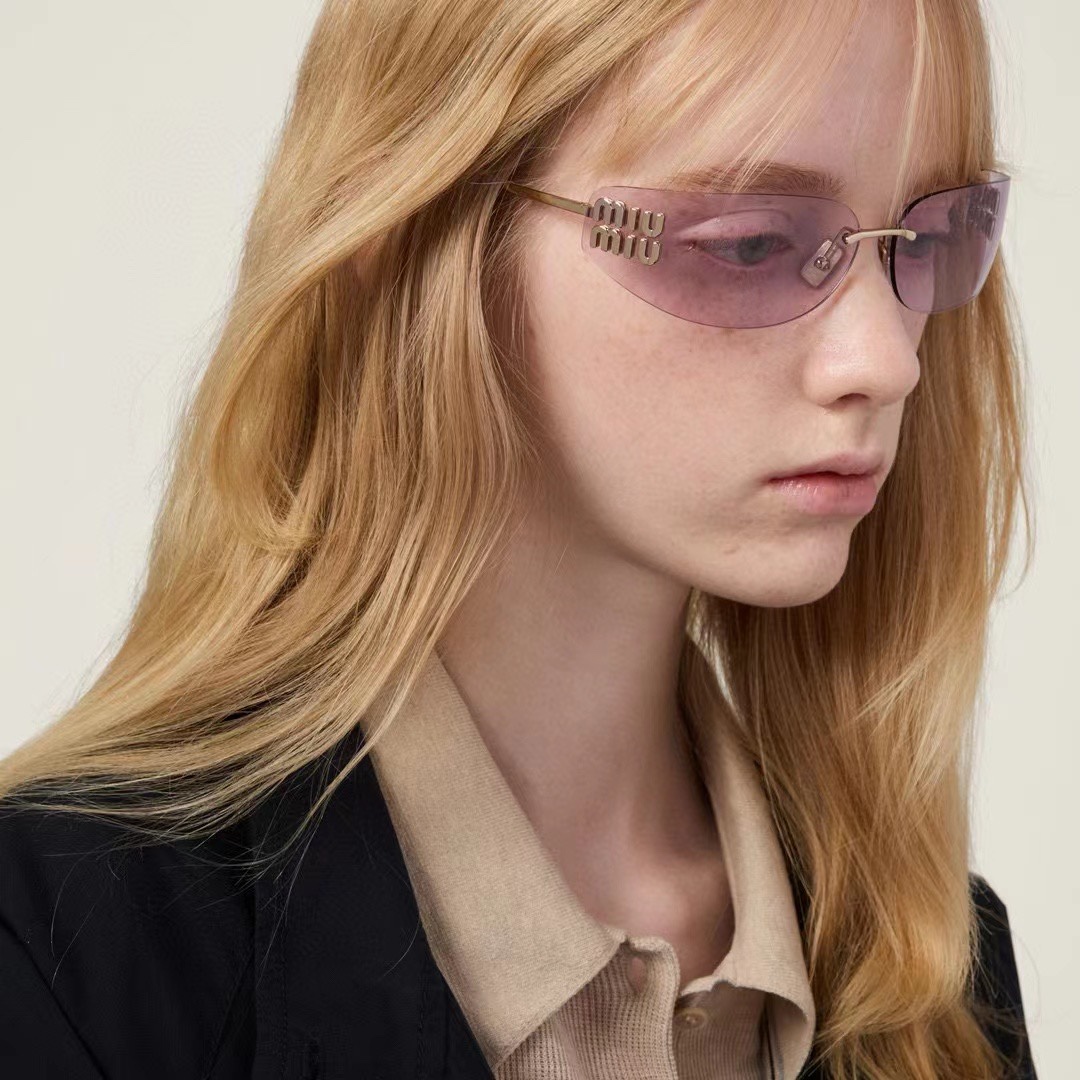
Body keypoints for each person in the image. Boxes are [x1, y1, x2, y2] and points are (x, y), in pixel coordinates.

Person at [0, 0, 1038, 1077]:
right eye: (749, 242)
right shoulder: (67, 954)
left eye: (931, 237)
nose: (888, 359)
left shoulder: (946, 986)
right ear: (403, 228)